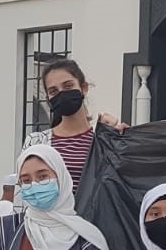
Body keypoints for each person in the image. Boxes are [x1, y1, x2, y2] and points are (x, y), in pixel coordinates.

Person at [22, 59, 122, 188]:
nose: (62, 93)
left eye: (68, 86)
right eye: (53, 91)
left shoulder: (103, 139)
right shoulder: (36, 141)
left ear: (84, 88)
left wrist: (120, 139)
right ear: (48, 98)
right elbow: (25, 187)